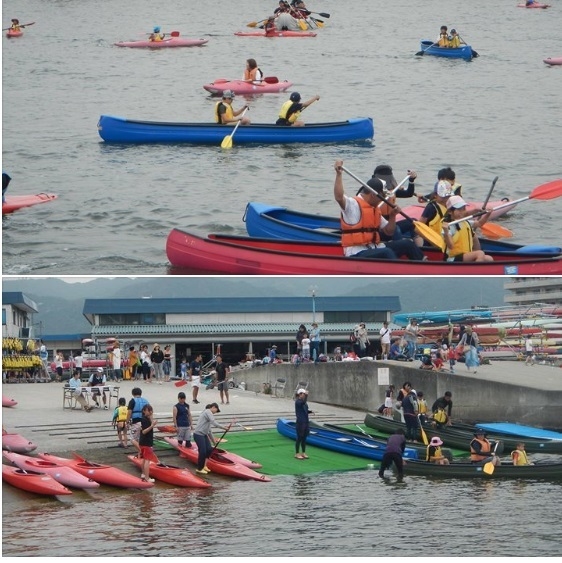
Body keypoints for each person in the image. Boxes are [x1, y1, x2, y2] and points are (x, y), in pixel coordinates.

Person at [333, 160, 426, 261]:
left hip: (375, 247)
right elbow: (339, 197)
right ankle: (399, 268)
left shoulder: (374, 209)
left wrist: (392, 216)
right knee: (387, 252)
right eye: (383, 196)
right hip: (357, 252)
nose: (384, 199)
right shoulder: (352, 204)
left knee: (407, 244)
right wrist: (339, 174)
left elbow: (389, 232)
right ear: (373, 195)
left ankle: (423, 264)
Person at [442, 196, 494, 263]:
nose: (462, 212)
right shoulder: (449, 226)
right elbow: (451, 246)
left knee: (489, 259)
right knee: (480, 253)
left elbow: (479, 223)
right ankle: (475, 269)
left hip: (465, 255)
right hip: (453, 258)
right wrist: (446, 232)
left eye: (463, 209)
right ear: (450, 212)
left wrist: (488, 214)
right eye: (459, 209)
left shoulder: (465, 222)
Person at [193, 402, 229, 474]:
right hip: (198, 434)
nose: (215, 413)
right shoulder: (207, 411)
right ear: (213, 407)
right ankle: (199, 468)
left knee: (209, 449)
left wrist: (213, 442)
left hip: (204, 435)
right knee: (202, 451)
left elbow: (209, 431)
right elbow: (214, 422)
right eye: (216, 410)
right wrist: (224, 428)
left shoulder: (208, 418)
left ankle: (204, 465)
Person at [126, 387, 150, 456]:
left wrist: (127, 422)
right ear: (140, 393)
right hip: (146, 423)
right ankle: (140, 453)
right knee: (140, 439)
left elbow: (129, 413)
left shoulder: (132, 401)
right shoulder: (146, 401)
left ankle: (141, 451)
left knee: (132, 439)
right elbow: (150, 412)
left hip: (136, 422)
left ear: (133, 394)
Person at [139, 404, 158, 482]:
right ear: (144, 411)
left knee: (144, 459)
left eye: (150, 410)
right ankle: (147, 478)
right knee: (147, 460)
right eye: (148, 410)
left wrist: (151, 417)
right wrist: (152, 426)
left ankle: (143, 474)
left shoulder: (146, 418)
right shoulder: (144, 420)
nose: (150, 412)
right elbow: (144, 431)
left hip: (143, 442)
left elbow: (151, 423)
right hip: (146, 443)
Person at [294, 388, 312, 459]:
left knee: (304, 438)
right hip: (300, 422)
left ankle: (303, 452)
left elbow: (305, 409)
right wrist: (307, 396)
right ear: (300, 394)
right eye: (303, 394)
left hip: (306, 422)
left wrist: (309, 412)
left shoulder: (304, 402)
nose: (304, 395)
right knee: (299, 438)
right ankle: (297, 453)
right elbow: (303, 403)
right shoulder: (298, 402)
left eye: (304, 394)